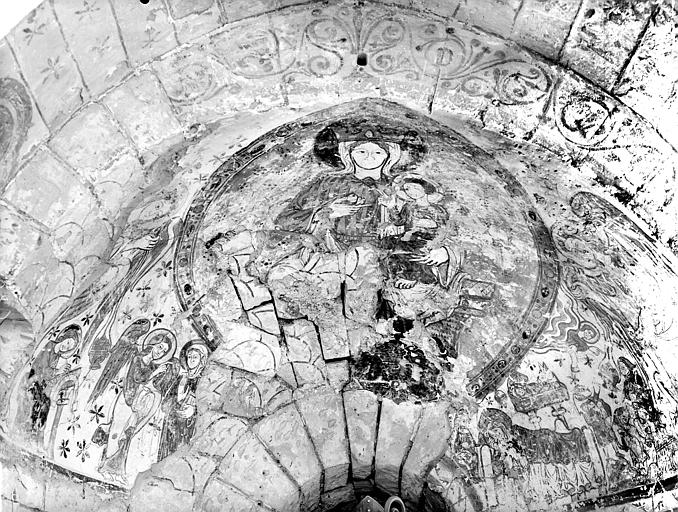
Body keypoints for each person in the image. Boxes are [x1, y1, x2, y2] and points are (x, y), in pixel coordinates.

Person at [157, 341, 209, 460]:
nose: (191, 360)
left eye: (195, 357)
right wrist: (172, 407)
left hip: (187, 426)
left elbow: (206, 406)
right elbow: (168, 398)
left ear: (202, 360)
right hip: (172, 422)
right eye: (189, 357)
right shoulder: (181, 378)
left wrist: (194, 410)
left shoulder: (203, 382)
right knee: (165, 452)